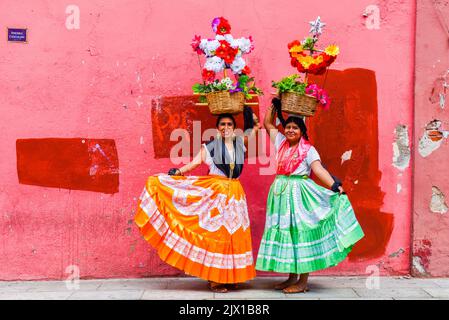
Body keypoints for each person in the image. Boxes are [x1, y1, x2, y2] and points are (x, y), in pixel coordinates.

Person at [135, 109, 260, 293]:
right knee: (217, 236)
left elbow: (253, 129)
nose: (226, 127)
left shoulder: (240, 143)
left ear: (234, 128)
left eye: (229, 124)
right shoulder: (209, 148)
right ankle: (215, 279)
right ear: (217, 128)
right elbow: (194, 164)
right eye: (222, 124)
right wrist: (178, 172)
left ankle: (231, 277)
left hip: (235, 195)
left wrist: (250, 114)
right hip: (215, 195)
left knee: (234, 236)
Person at [255, 98, 364, 294]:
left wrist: (334, 185)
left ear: (301, 131)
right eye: (288, 127)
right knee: (287, 235)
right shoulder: (280, 143)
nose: (290, 130)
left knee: (299, 234)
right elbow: (267, 123)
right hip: (280, 196)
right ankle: (291, 278)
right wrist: (275, 103)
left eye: (295, 128)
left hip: (298, 196)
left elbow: (318, 169)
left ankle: (302, 282)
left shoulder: (308, 150)